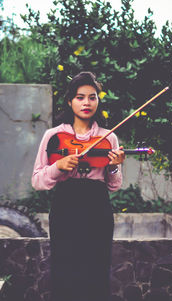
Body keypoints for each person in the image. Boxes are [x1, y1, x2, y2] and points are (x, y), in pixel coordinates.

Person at [32, 71, 125, 301]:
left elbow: (113, 185)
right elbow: (37, 180)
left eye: (92, 97)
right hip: (66, 204)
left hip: (97, 205)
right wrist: (58, 166)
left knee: (97, 270)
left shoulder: (108, 137)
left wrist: (113, 167)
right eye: (80, 97)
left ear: (98, 101)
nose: (86, 103)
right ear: (70, 101)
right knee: (65, 270)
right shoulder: (53, 136)